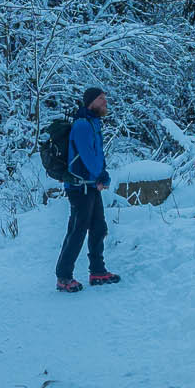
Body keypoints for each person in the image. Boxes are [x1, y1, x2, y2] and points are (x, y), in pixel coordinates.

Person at [55, 87, 120, 292]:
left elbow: (97, 155)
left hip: (90, 185)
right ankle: (63, 277)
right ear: (91, 102)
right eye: (101, 99)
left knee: (99, 228)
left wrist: (103, 174)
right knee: (77, 231)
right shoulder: (82, 125)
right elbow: (86, 156)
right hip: (79, 186)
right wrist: (100, 176)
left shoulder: (94, 123)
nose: (105, 103)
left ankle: (98, 271)